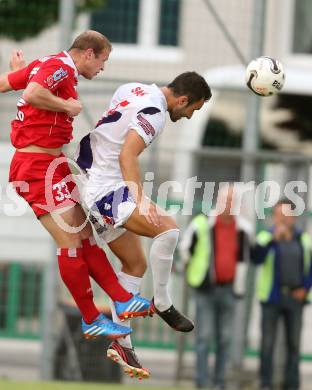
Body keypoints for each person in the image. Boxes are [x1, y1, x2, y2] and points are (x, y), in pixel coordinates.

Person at [0, 30, 152, 341]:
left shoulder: (47, 64)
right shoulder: (61, 67)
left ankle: (121, 297)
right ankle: (91, 318)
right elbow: (35, 92)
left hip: (51, 165)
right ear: (88, 53)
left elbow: (1, 84)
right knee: (70, 241)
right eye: (103, 60)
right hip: (35, 168)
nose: (102, 68)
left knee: (84, 234)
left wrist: (18, 72)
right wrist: (65, 106)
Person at [74, 71, 212, 378]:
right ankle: (163, 302)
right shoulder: (156, 111)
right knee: (169, 228)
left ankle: (122, 342)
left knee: (135, 264)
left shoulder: (132, 89)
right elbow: (127, 154)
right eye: (192, 109)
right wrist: (138, 199)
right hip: (104, 189)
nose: (189, 116)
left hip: (89, 182)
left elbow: (110, 136)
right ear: (182, 100)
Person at [179, 184, 252, 389]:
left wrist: (239, 286)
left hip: (229, 289)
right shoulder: (202, 224)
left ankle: (219, 382)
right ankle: (202, 382)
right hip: (205, 290)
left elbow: (244, 259)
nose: (228, 205)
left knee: (225, 338)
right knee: (203, 337)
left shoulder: (243, 229)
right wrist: (194, 275)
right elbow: (185, 249)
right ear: (217, 202)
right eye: (225, 201)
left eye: (232, 201)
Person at [252, 198, 312, 390]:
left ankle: (292, 385)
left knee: (293, 345)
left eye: (287, 215)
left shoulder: (304, 239)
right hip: (272, 298)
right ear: (274, 217)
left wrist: (305, 288)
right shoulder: (266, 237)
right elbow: (256, 257)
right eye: (280, 215)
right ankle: (266, 383)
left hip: (295, 298)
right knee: (268, 343)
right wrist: (273, 239)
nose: (284, 219)